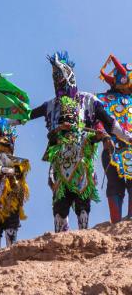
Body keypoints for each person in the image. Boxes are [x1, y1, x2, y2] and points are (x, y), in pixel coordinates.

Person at [27, 51, 117, 231]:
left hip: (82, 163)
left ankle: (83, 235)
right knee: (59, 206)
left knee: (82, 204)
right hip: (59, 163)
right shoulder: (51, 106)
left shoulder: (88, 101)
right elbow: (27, 115)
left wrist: (108, 137)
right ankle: (62, 236)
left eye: (59, 75)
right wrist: (11, 114)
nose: (56, 80)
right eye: (54, 76)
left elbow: (105, 125)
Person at [0, 118, 31, 252]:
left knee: (10, 235)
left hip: (10, 202)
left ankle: (11, 258)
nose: (1, 145)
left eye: (5, 142)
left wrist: (0, 169)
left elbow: (19, 171)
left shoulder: (18, 161)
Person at [96, 55, 132, 222]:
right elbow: (97, 120)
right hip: (112, 148)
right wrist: (103, 136)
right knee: (115, 184)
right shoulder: (101, 101)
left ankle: (130, 220)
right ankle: (116, 222)